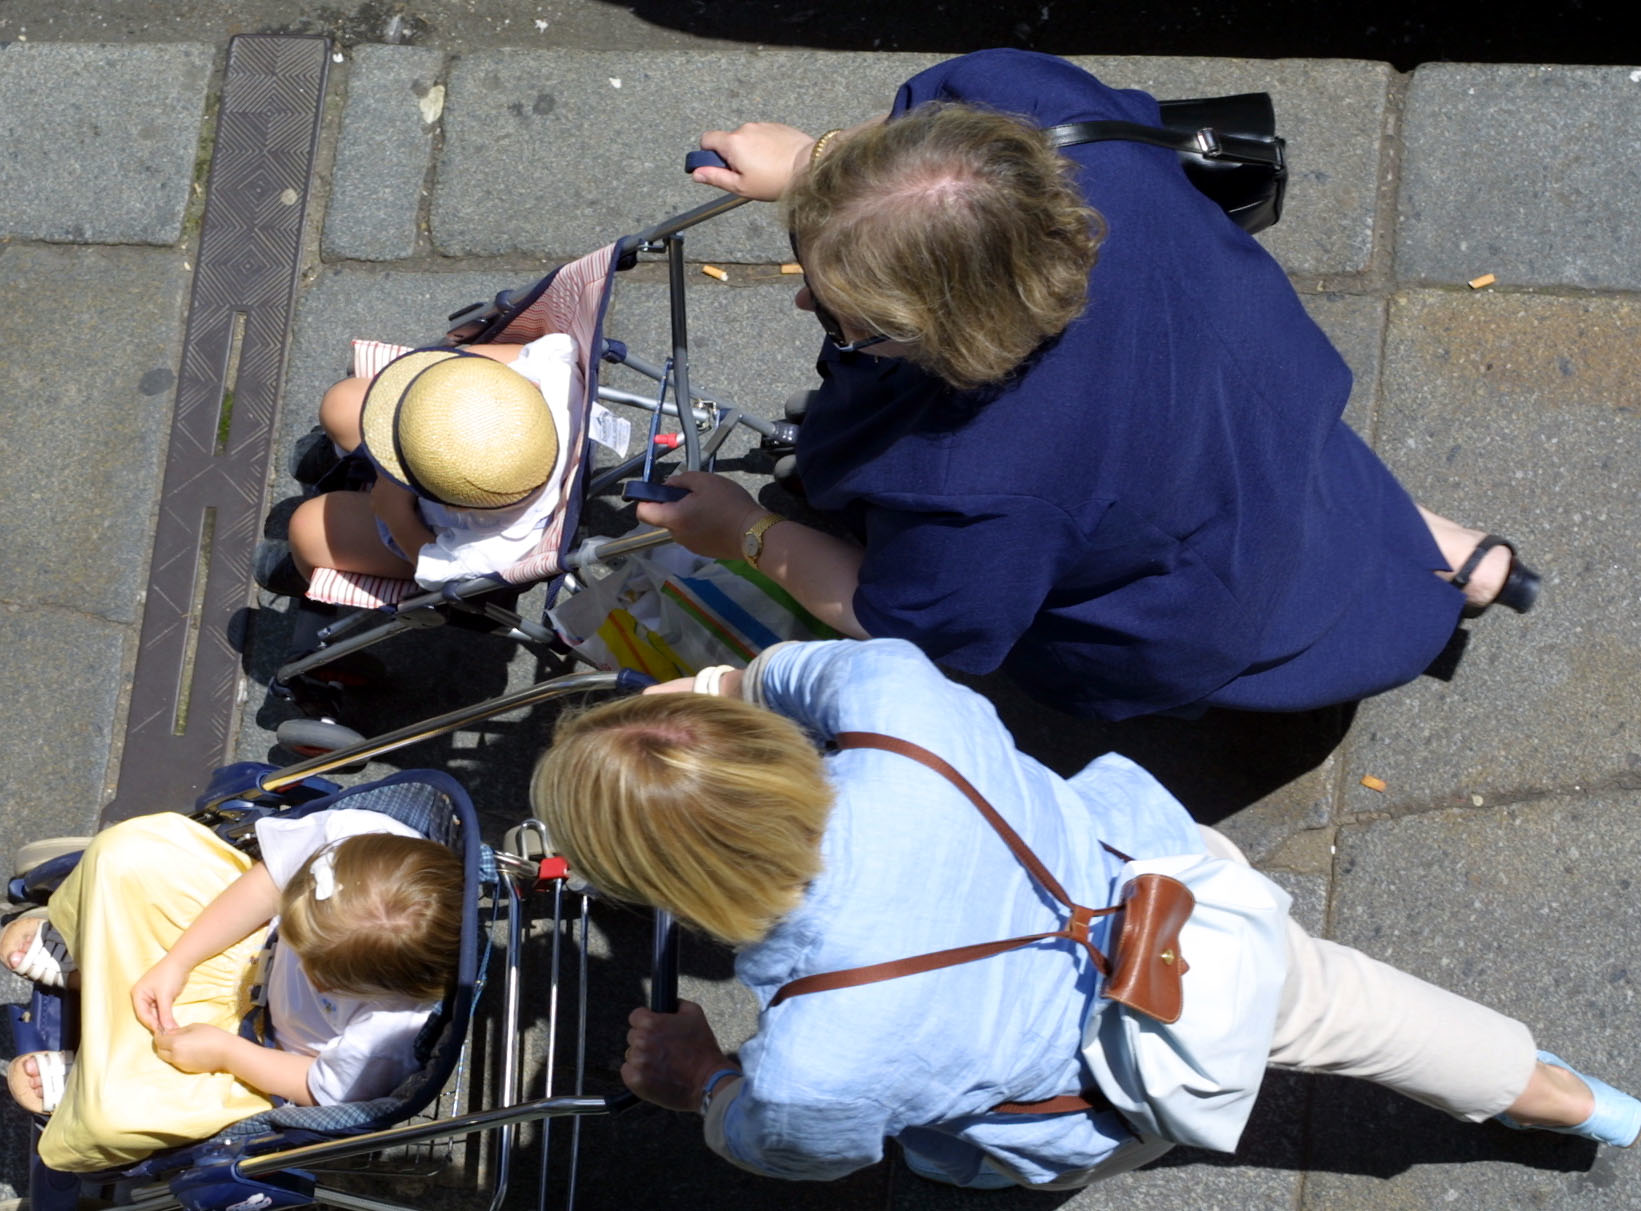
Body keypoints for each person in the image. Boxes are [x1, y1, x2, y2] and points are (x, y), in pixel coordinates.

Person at [530, 639, 1635, 1188]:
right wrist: (702, 703)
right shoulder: (898, 707)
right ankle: (1561, 1092)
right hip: (1180, 912)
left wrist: (701, 1080)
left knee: (951, 1152)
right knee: (1348, 1002)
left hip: (1107, 1100)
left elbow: (796, 1145)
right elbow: (781, 675)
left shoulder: (819, 1053)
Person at [636, 49, 1539, 721]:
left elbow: (898, 615)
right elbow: (927, 142)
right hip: (1252, 401)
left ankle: (1419, 595)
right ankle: (1449, 550)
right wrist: (824, 167)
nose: (802, 298)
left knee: (1265, 602)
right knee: (1298, 473)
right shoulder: (1040, 114)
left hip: (1208, 603)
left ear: (959, 336)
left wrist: (746, 530)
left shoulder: (981, 487)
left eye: (848, 318)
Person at [3, 807, 463, 1172]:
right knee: (126, 851)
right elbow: (267, 885)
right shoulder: (355, 842)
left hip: (259, 1055)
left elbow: (322, 1088)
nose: (308, 972)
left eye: (323, 977)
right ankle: (99, 973)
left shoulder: (390, 1031)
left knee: (116, 1116)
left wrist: (227, 1054)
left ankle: (95, 1072)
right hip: (250, 941)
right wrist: (179, 959)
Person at [255, 333, 577, 595]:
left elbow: (438, 568)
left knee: (308, 526)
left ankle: (304, 564)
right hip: (449, 416)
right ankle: (341, 457)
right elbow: (540, 351)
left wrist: (395, 513)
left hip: (423, 521)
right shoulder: (554, 377)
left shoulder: (496, 548)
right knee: (343, 403)